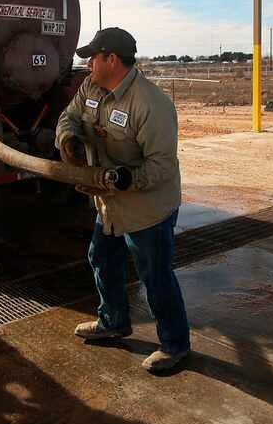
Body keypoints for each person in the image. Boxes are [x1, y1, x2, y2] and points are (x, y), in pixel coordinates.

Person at [55, 27, 190, 372]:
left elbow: (162, 164)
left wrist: (128, 179)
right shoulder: (91, 88)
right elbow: (69, 116)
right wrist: (69, 137)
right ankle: (113, 321)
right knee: (100, 256)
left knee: (155, 276)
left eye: (92, 57)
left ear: (111, 60)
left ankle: (175, 345)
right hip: (109, 203)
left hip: (147, 207)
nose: (86, 63)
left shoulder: (150, 104)